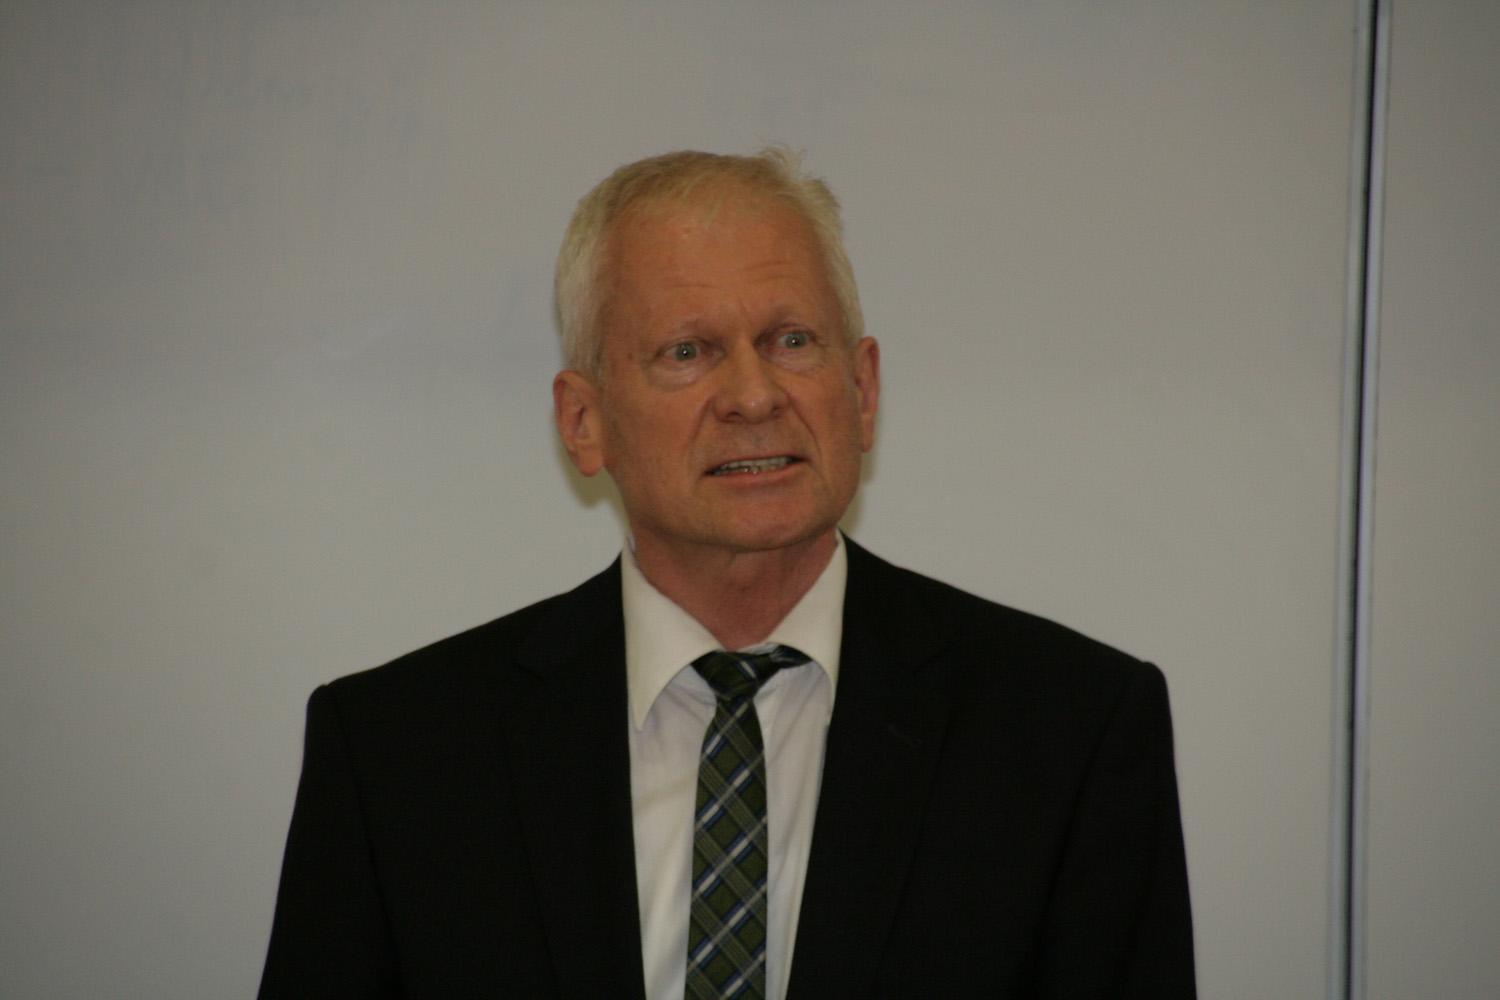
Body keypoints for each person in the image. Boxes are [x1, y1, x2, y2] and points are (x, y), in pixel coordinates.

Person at [258, 148, 1196, 1000]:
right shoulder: (395, 758)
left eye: (792, 341)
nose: (753, 395)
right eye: (687, 352)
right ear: (584, 422)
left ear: (862, 391)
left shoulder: (1073, 733)